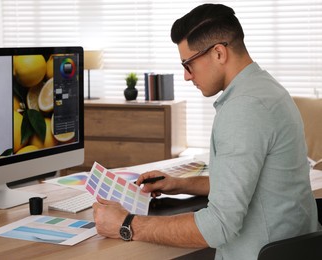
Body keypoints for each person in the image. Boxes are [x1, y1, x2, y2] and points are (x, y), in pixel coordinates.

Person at [92, 3, 320, 259]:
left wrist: (126, 224)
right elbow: (250, 182)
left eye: (188, 64)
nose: (187, 76)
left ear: (219, 53)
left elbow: (219, 226)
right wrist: (181, 184)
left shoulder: (243, 109)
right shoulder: (267, 89)